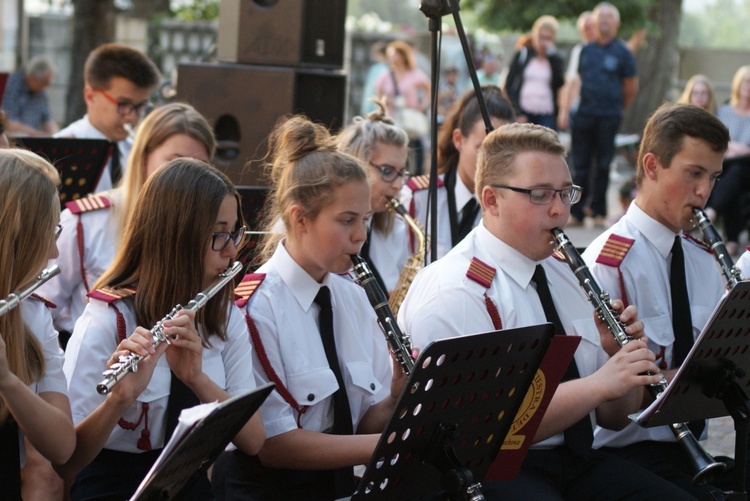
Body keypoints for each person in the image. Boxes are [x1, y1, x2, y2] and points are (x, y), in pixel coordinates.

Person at [398, 122, 693, 499]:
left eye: (566, 193)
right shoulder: (456, 289)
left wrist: (618, 360)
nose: (559, 210)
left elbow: (614, 418)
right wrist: (597, 385)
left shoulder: (567, 273)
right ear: (491, 200)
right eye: (539, 194)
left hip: (579, 461)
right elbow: (480, 435)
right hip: (491, 472)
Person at [210, 116, 406, 500]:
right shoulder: (256, 308)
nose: (361, 235)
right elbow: (274, 445)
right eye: (346, 220)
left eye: (365, 219)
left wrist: (397, 396)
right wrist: (395, 445)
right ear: (300, 219)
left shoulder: (353, 295)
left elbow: (361, 421)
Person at [55, 159, 265, 499]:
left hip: (191, 484)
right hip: (113, 486)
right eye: (219, 235)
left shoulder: (223, 314)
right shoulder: (108, 319)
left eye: (235, 232)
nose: (231, 250)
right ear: (176, 237)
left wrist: (197, 379)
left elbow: (254, 440)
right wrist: (118, 401)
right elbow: (67, 463)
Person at [583, 103, 730, 499]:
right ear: (651, 166)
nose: (704, 191)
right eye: (693, 174)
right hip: (624, 454)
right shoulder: (608, 264)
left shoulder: (703, 258)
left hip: (690, 451)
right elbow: (609, 411)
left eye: (713, 177)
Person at [38, 102, 215, 342]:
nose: (186, 178)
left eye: (199, 168)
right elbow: (41, 310)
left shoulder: (213, 233)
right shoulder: (86, 222)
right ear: (143, 157)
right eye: (174, 162)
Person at [0, 149, 75, 498]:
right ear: (16, 236)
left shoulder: (31, 313)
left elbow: (62, 447)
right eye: (49, 232)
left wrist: (8, 382)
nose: (54, 253)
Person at [402, 85, 516, 260]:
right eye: (482, 149)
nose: (492, 162)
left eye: (502, 152)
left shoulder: (511, 207)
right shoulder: (418, 197)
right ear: (458, 140)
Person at [568, 2, 639, 228]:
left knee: (604, 164)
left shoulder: (623, 53)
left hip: (609, 117)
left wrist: (618, 108)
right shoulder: (586, 50)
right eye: (601, 16)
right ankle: (576, 212)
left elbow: (631, 87)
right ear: (594, 22)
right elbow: (577, 81)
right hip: (584, 115)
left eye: (609, 16)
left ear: (616, 23)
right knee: (580, 165)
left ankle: (599, 211)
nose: (605, 20)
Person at [56, 43, 161, 193]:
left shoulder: (138, 152)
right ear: (90, 97)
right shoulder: (61, 149)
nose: (132, 117)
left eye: (140, 106)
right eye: (123, 104)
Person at [336, 100, 412, 294]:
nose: (398, 184)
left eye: (402, 172)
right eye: (387, 171)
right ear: (357, 165)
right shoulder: (328, 227)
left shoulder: (396, 228)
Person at [704, 65, 750, 256]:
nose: (749, 86)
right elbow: (716, 141)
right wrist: (738, 148)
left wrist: (732, 147)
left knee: (737, 169)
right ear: (738, 84)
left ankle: (712, 212)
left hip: (747, 168)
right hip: (725, 166)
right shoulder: (723, 111)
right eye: (746, 81)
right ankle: (731, 239)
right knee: (733, 180)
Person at [374, 40, 431, 175]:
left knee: (415, 149)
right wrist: (386, 103)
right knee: (394, 150)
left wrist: (422, 105)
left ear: (402, 55)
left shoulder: (414, 73)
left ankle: (415, 177)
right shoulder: (386, 74)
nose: (391, 57)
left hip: (409, 118)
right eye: (390, 54)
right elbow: (378, 93)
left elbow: (428, 88)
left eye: (394, 54)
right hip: (392, 120)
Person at [503, 15, 565, 130]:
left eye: (548, 38)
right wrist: (517, 112)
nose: (544, 42)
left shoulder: (555, 60)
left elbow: (559, 83)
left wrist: (552, 58)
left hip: (546, 112)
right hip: (524, 111)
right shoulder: (523, 54)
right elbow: (509, 84)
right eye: (541, 37)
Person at [1, 55, 59, 136]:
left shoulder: (41, 91)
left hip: (33, 140)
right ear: (33, 78)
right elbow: (8, 124)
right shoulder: (12, 86)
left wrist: (55, 135)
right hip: (14, 140)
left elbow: (48, 119)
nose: (45, 87)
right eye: (44, 83)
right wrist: (38, 134)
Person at [558, 10, 596, 131]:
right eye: (586, 28)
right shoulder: (579, 50)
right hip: (581, 109)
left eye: (592, 27)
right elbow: (571, 82)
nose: (589, 31)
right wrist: (564, 111)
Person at [360, 41, 389, 116]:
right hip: (376, 105)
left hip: (375, 105)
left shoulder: (381, 69)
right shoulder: (380, 68)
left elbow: (373, 89)